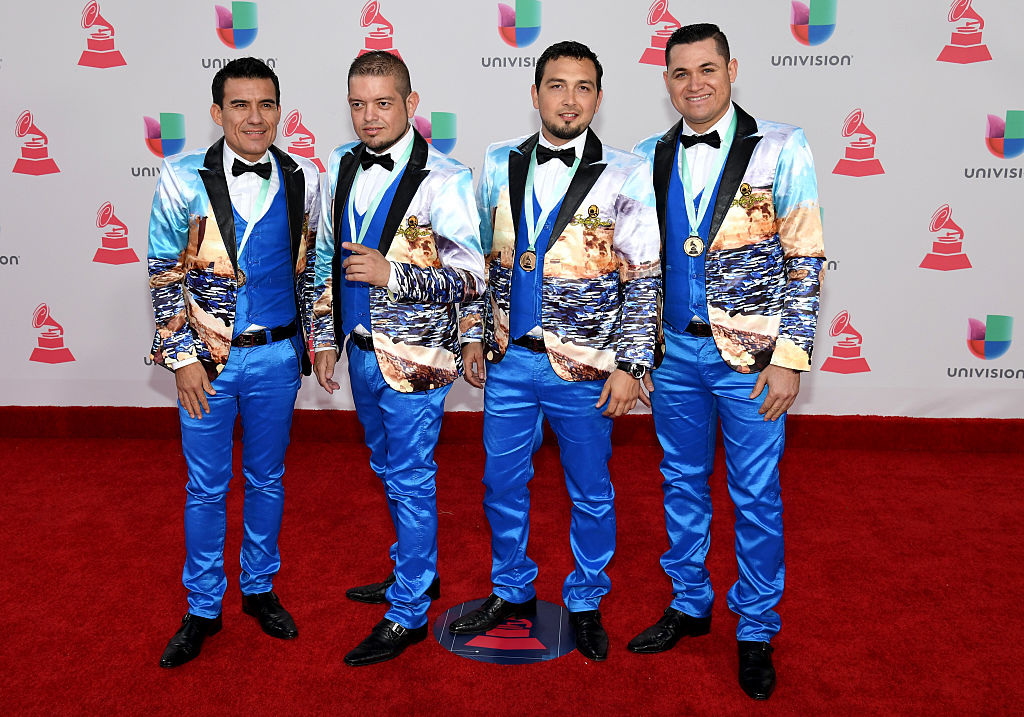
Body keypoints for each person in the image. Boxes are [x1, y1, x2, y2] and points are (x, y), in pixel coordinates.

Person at [630, 23, 825, 699]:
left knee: (756, 496)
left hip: (754, 357)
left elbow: (804, 257)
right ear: (666, 81)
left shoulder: (782, 146)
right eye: (681, 73)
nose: (695, 84)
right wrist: (640, 353)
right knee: (681, 482)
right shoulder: (649, 155)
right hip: (674, 354)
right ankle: (689, 602)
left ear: (732, 69)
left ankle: (756, 628)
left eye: (707, 69)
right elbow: (640, 264)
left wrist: (790, 356)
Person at [451, 41, 661, 662]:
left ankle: (587, 599)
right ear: (535, 93)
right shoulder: (498, 160)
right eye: (557, 86)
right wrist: (473, 330)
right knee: (501, 483)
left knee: (590, 489)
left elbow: (643, 275)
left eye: (583, 87)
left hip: (587, 365)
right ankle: (511, 589)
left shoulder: (627, 171)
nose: (569, 100)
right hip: (509, 359)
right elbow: (478, 257)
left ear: (599, 97)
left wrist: (631, 364)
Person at [311, 50, 485, 667]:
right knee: (386, 468)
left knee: (410, 478)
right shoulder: (339, 163)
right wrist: (325, 337)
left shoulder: (447, 177)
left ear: (411, 105)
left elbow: (472, 277)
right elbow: (325, 257)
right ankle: (417, 571)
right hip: (359, 354)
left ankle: (409, 611)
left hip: (417, 360)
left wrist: (395, 275)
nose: (369, 116)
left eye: (383, 103)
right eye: (358, 104)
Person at [148, 57, 321, 668]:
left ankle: (259, 588)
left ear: (279, 111)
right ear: (217, 113)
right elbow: (164, 271)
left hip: (276, 356)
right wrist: (180, 357)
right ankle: (202, 607)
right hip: (205, 361)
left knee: (268, 479)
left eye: (266, 104)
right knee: (205, 487)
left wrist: (318, 343)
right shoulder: (180, 176)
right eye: (240, 105)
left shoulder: (304, 176)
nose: (255, 117)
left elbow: (313, 269)